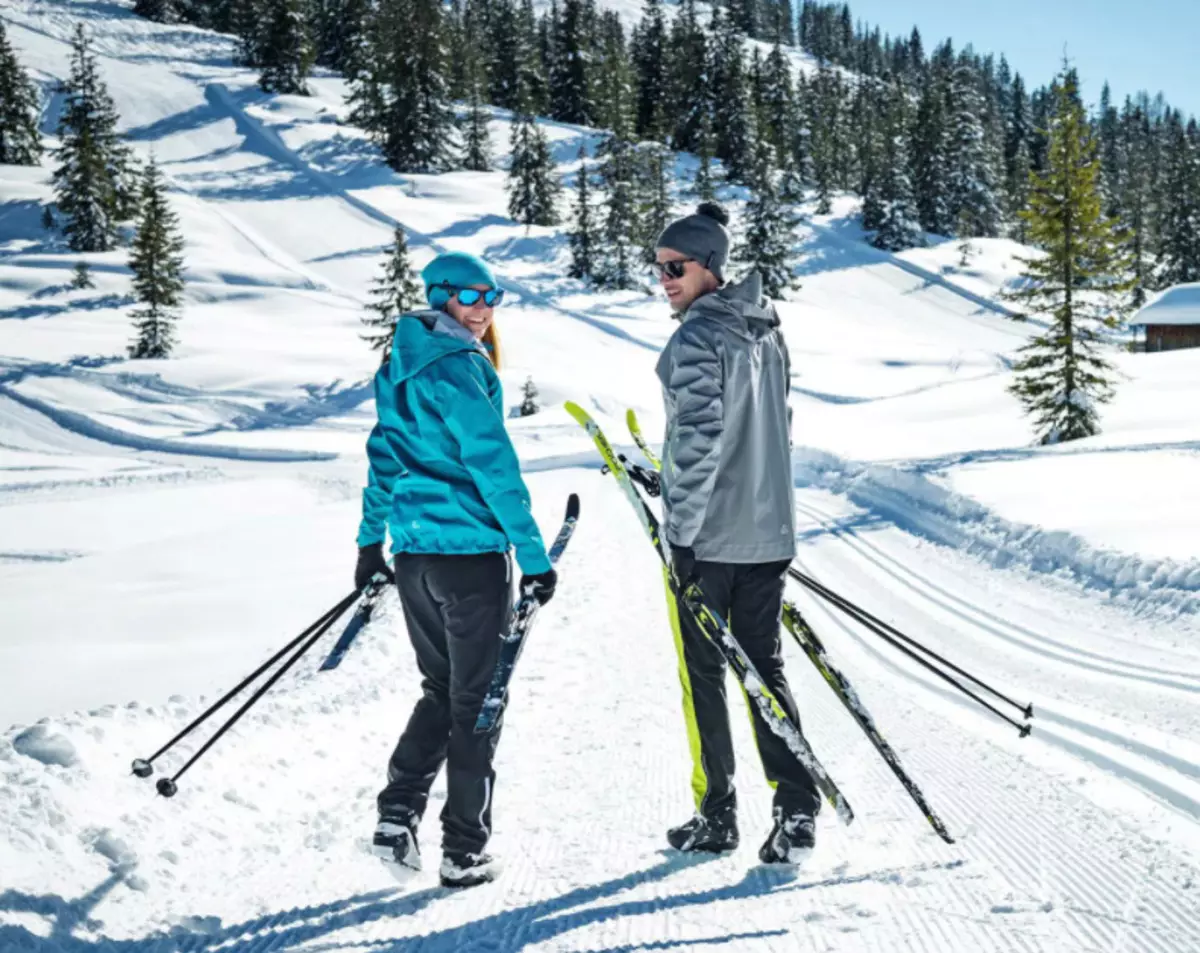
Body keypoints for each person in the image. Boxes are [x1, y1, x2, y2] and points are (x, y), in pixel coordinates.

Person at [354, 250, 557, 888]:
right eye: (470, 295)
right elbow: (493, 466)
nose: (481, 309)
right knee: (477, 704)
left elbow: (384, 458)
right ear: (439, 295)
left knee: (442, 692)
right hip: (469, 561)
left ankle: (396, 815)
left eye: (492, 297)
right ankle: (464, 850)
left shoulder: (399, 365)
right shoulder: (461, 366)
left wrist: (371, 544)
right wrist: (533, 557)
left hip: (416, 559)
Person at [651, 202, 820, 864]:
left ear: (710, 268)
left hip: (712, 541)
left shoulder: (697, 337)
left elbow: (697, 440)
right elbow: (773, 426)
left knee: (705, 674)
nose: (664, 279)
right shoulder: (767, 328)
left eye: (675, 267)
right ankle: (796, 808)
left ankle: (717, 813)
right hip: (767, 535)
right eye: (658, 268)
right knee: (763, 667)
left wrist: (682, 536)